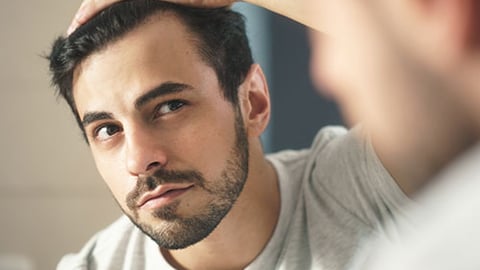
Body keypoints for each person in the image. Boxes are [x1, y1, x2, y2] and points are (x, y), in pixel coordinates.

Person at [71, 0, 480, 269]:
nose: (139, 158)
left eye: (170, 106)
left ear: (254, 102)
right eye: (107, 129)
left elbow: (442, 42)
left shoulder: (364, 183)